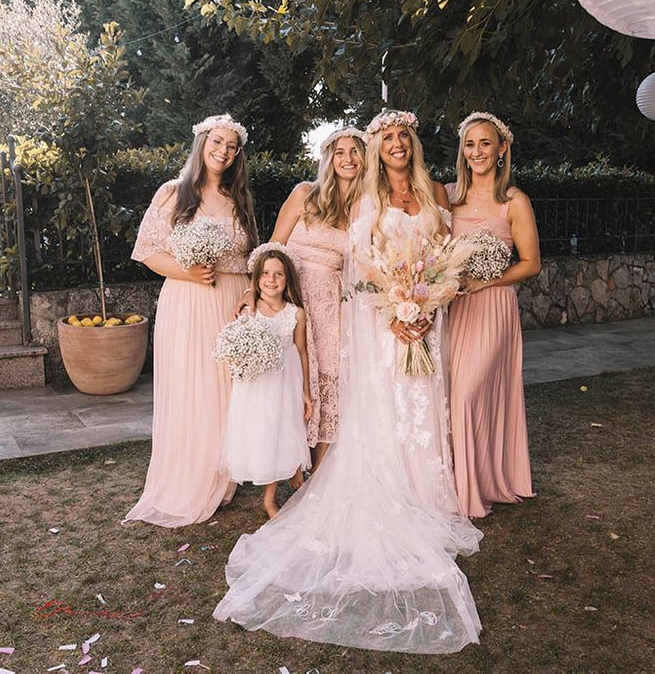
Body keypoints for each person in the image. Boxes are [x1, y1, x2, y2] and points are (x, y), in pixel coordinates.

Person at [213, 111, 482, 654]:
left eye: (402, 137)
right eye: (385, 139)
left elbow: (443, 255)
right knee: (341, 393)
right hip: (381, 316)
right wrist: (397, 305)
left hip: (423, 318)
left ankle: (423, 492)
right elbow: (363, 263)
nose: (394, 146)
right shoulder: (357, 201)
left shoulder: (432, 192)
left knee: (416, 402)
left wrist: (426, 300)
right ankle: (297, 468)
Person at [123, 114, 258, 528]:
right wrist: (188, 271)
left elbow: (251, 256)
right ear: (202, 142)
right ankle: (194, 477)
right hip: (189, 299)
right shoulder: (174, 193)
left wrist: (252, 293)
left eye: (232, 146)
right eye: (217, 141)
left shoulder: (240, 199)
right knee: (195, 388)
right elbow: (146, 250)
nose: (224, 151)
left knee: (230, 389)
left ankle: (226, 473)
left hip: (232, 301)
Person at [236, 128, 366, 472]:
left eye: (355, 152)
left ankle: (318, 470)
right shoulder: (304, 195)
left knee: (330, 379)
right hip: (289, 297)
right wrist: (253, 288)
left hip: (330, 307)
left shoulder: (363, 210)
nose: (348, 159)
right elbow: (274, 246)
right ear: (329, 158)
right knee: (288, 381)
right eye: (340, 152)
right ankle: (289, 465)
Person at [447, 111, 540, 518]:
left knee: (468, 395)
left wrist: (487, 280)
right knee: (452, 396)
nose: (477, 152)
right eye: (470, 144)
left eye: (485, 143)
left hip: (493, 306)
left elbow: (531, 263)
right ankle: (464, 481)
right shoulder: (448, 197)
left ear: (502, 149)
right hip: (453, 307)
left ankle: (473, 489)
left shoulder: (514, 201)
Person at [221, 246, 313, 518]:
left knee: (285, 430)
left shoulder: (295, 313)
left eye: (279, 275)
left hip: (286, 380)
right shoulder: (249, 310)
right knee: (264, 435)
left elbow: (301, 350)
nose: (271, 280)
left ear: (287, 280)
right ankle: (270, 495)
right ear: (257, 277)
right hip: (257, 385)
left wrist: (306, 391)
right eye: (265, 274)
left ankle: (282, 483)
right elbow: (236, 347)